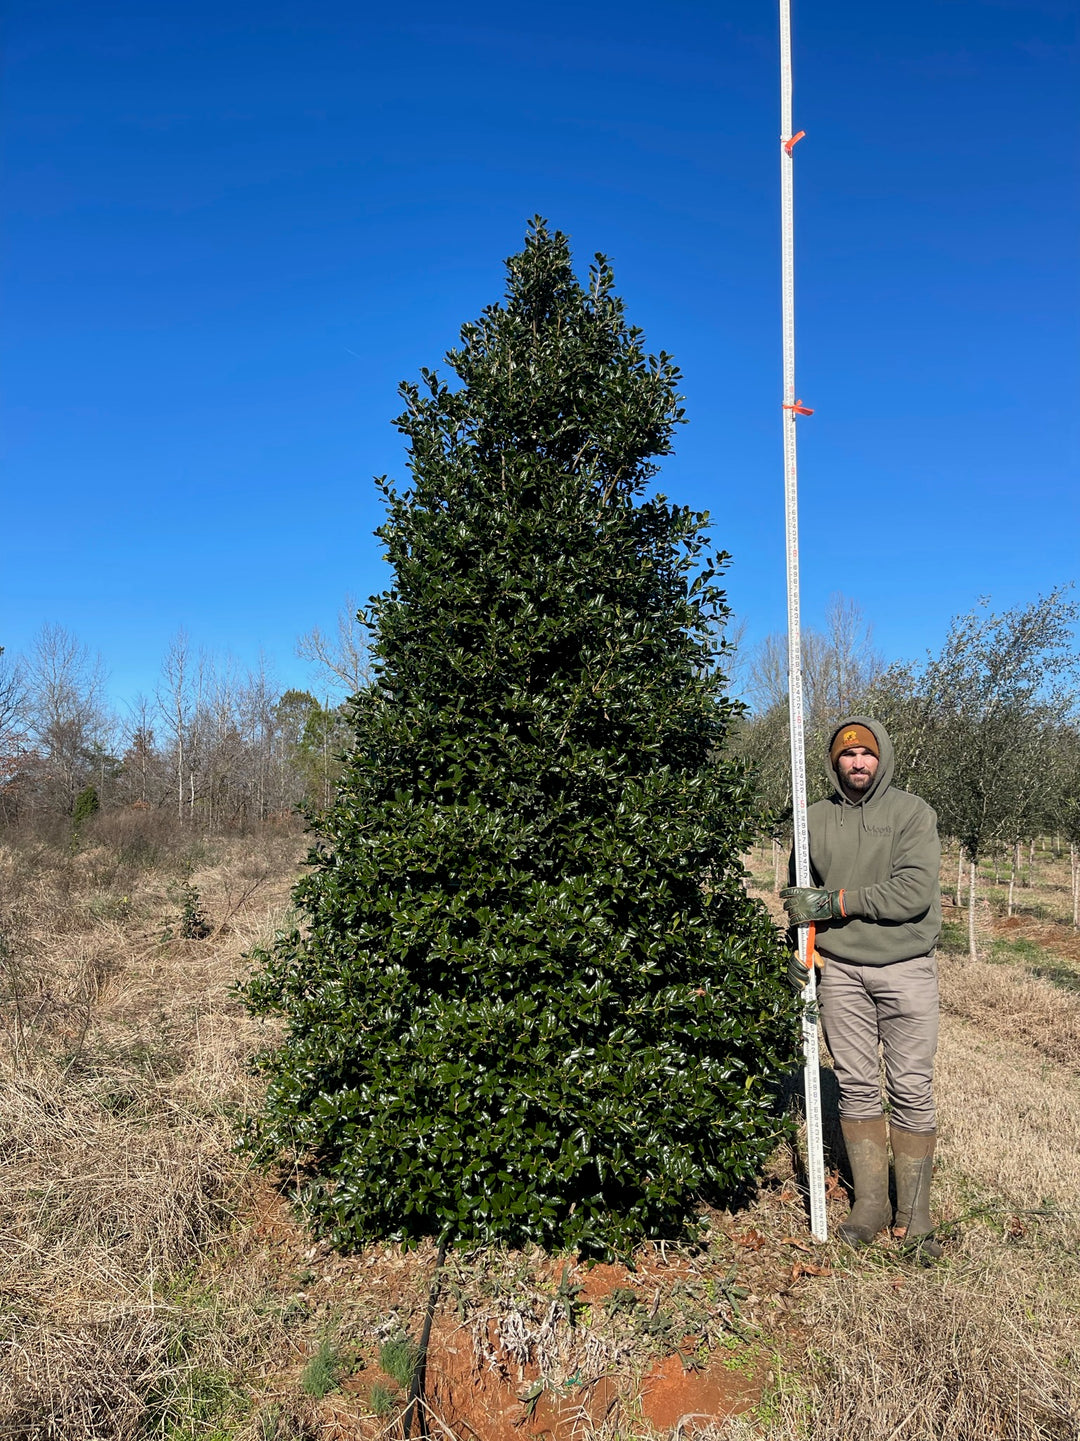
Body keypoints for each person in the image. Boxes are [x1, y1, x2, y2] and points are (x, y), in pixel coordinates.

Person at [780, 717, 943, 1257]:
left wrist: (840, 903)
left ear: (882, 758)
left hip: (906, 967)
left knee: (911, 1088)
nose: (858, 763)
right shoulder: (813, 820)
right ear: (833, 762)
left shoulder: (911, 813)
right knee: (855, 1086)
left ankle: (914, 1216)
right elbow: (801, 895)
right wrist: (796, 947)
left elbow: (913, 893)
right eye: (847, 755)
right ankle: (870, 1208)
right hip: (841, 973)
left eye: (867, 754)